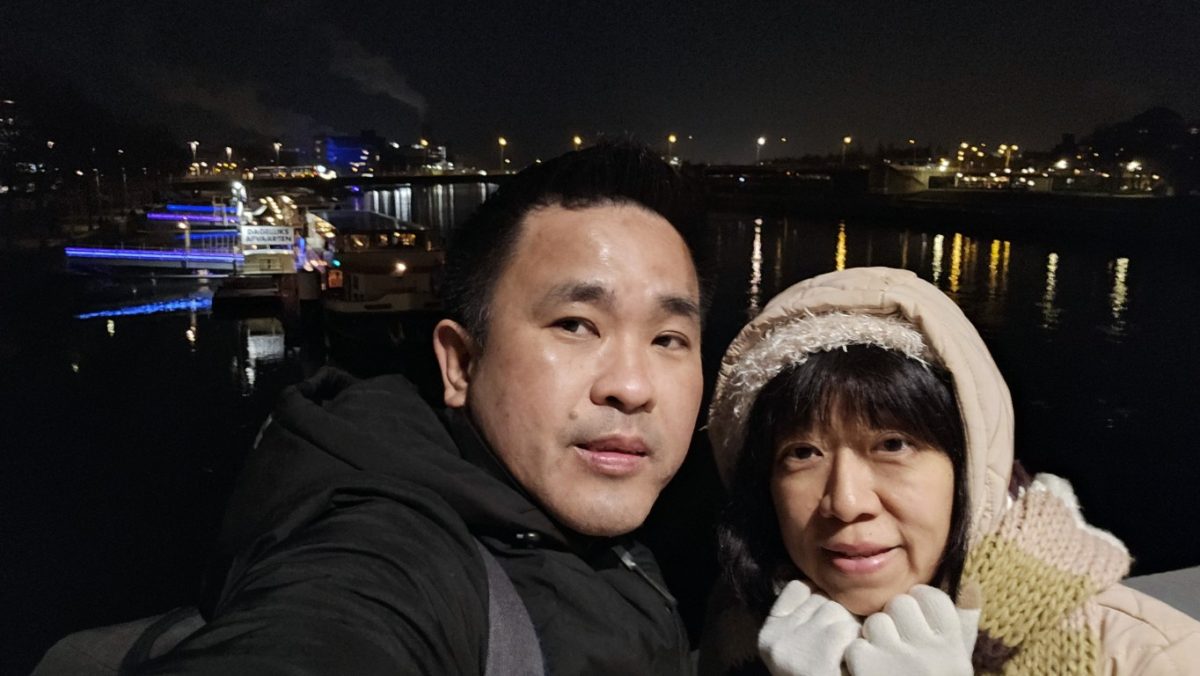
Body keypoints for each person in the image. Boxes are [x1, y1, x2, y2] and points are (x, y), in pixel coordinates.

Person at [128, 143, 711, 674]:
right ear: (460, 363)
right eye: (576, 325)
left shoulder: (598, 543)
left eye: (668, 339)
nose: (632, 387)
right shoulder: (386, 556)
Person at [700, 267, 1200, 675]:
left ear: (969, 467)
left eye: (892, 445)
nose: (847, 503)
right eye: (803, 453)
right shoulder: (743, 623)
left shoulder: (1149, 658)